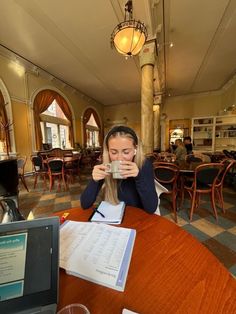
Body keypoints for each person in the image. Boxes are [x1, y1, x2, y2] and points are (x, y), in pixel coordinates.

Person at [80, 125, 158, 214]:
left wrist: (139, 177)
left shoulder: (144, 164)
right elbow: (84, 204)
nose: (119, 158)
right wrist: (94, 181)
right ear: (108, 151)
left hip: (138, 217)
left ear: (135, 149)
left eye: (126, 152)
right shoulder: (105, 165)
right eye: (114, 152)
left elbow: (151, 208)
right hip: (113, 217)